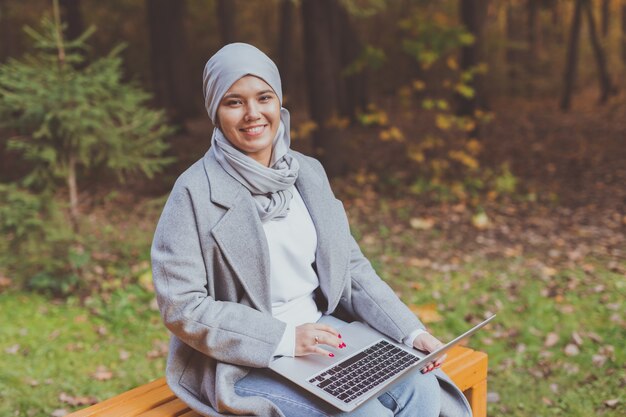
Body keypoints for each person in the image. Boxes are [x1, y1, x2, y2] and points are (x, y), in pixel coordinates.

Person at [151, 43, 471, 417]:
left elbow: (351, 269)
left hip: (327, 336)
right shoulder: (193, 192)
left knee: (421, 388)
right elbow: (182, 305)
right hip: (244, 360)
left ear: (279, 102)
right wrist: (286, 338)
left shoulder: (308, 173)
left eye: (264, 97)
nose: (253, 114)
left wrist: (412, 333)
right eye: (234, 102)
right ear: (215, 112)